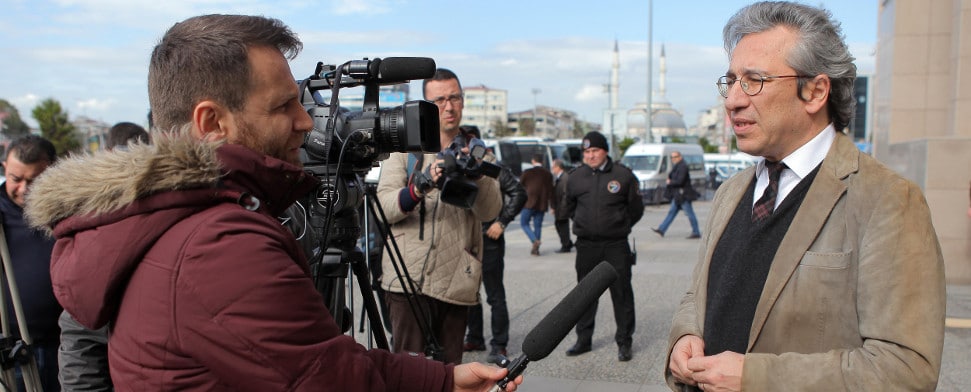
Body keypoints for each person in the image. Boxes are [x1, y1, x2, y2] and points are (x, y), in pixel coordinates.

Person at [24, 14, 520, 391]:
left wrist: (440, 379)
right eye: (284, 106)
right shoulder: (217, 242)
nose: (306, 123)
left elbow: (314, 360)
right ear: (211, 122)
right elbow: (327, 376)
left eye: (301, 103)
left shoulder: (163, 215)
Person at [665, 2, 945, 391]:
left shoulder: (887, 201)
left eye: (754, 81)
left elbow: (905, 370)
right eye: (731, 81)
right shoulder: (732, 191)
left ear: (814, 91)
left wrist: (756, 378)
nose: (732, 101)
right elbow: (699, 294)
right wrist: (684, 336)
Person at [376, 68, 502, 365]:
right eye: (440, 100)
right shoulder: (404, 150)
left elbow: (489, 211)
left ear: (463, 101)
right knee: (407, 374)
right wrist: (421, 186)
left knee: (448, 375)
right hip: (406, 278)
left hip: (456, 279)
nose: (449, 106)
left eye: (455, 98)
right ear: (426, 104)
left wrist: (477, 170)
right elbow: (384, 207)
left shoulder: (480, 152)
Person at [562, 131, 643, 362]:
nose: (590, 156)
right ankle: (583, 340)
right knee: (584, 295)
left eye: (595, 151)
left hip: (615, 245)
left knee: (621, 294)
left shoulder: (623, 175)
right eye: (586, 152)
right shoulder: (576, 177)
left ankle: (624, 342)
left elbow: (636, 208)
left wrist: (618, 225)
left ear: (605, 151)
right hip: (587, 246)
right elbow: (569, 206)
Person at [463, 124, 527, 365]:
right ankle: (475, 337)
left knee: (495, 295)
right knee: (469, 293)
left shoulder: (492, 165)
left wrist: (501, 222)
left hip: (489, 238)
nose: (465, 145)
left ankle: (499, 344)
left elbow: (519, 193)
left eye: (469, 140)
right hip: (465, 239)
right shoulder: (458, 162)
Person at [1, 135, 60, 392]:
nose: (24, 189)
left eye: (34, 180)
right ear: (5, 168)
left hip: (63, 346)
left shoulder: (68, 208)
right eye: (16, 179)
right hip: (11, 350)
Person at [651, 150, 701, 239]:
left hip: (683, 195)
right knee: (672, 212)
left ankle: (696, 232)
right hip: (678, 195)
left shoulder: (683, 166)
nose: (673, 159)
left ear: (680, 157)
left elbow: (680, 181)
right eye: (672, 157)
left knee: (689, 213)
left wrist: (670, 182)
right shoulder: (678, 166)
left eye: (675, 157)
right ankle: (662, 229)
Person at [518, 153, 554, 256]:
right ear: (542, 161)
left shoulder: (527, 172)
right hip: (542, 204)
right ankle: (536, 249)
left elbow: (519, 186)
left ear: (533, 161)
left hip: (529, 202)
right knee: (538, 226)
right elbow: (551, 190)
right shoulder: (548, 174)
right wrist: (553, 205)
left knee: (524, 223)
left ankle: (534, 240)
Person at [550, 158, 573, 253]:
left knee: (563, 226)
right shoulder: (559, 177)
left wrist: (563, 208)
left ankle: (566, 245)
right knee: (559, 225)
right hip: (559, 206)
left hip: (563, 207)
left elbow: (565, 195)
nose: (552, 169)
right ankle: (567, 242)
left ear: (558, 167)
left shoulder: (565, 177)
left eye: (553, 167)